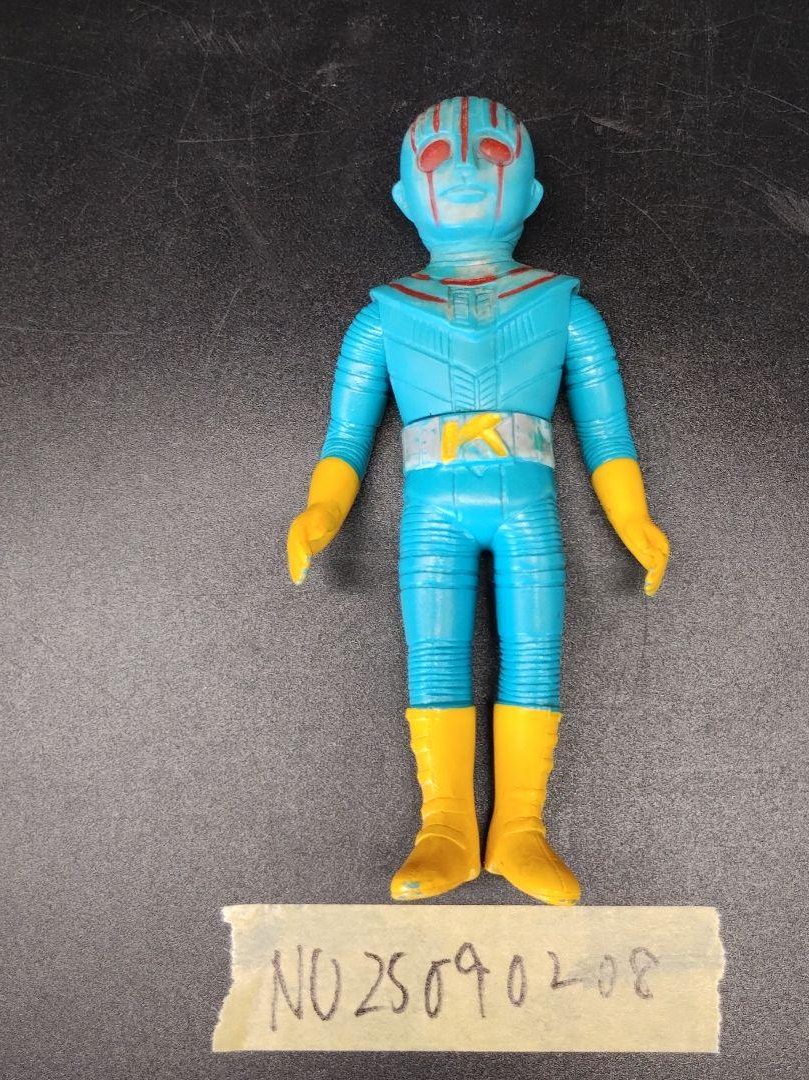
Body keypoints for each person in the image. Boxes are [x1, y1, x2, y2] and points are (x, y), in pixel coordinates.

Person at [287, 96, 669, 906]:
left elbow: (608, 435)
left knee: (535, 652)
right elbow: (344, 441)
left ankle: (521, 828)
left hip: (529, 512)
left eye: (491, 152)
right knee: (434, 655)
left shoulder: (566, 309)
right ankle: (448, 829)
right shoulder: (383, 319)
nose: (462, 166)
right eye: (436, 157)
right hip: (434, 514)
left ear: (530, 195)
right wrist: (320, 513)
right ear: (405, 198)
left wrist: (634, 518)